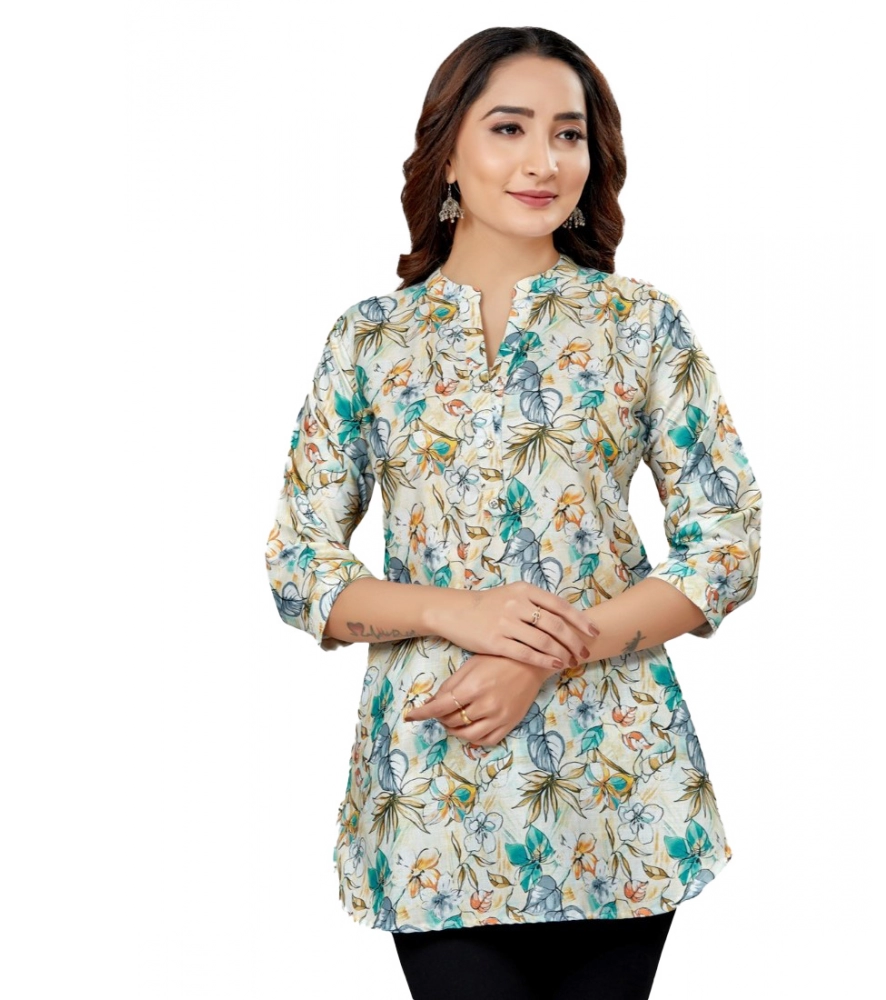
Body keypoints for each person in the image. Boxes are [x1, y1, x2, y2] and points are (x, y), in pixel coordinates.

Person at [264, 25, 763, 1000]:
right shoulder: (369, 339)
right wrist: (459, 613)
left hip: (617, 783)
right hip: (433, 791)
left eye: (569, 134)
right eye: (509, 128)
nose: (544, 160)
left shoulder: (639, 325)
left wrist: (543, 654)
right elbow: (297, 566)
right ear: (448, 151)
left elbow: (726, 546)